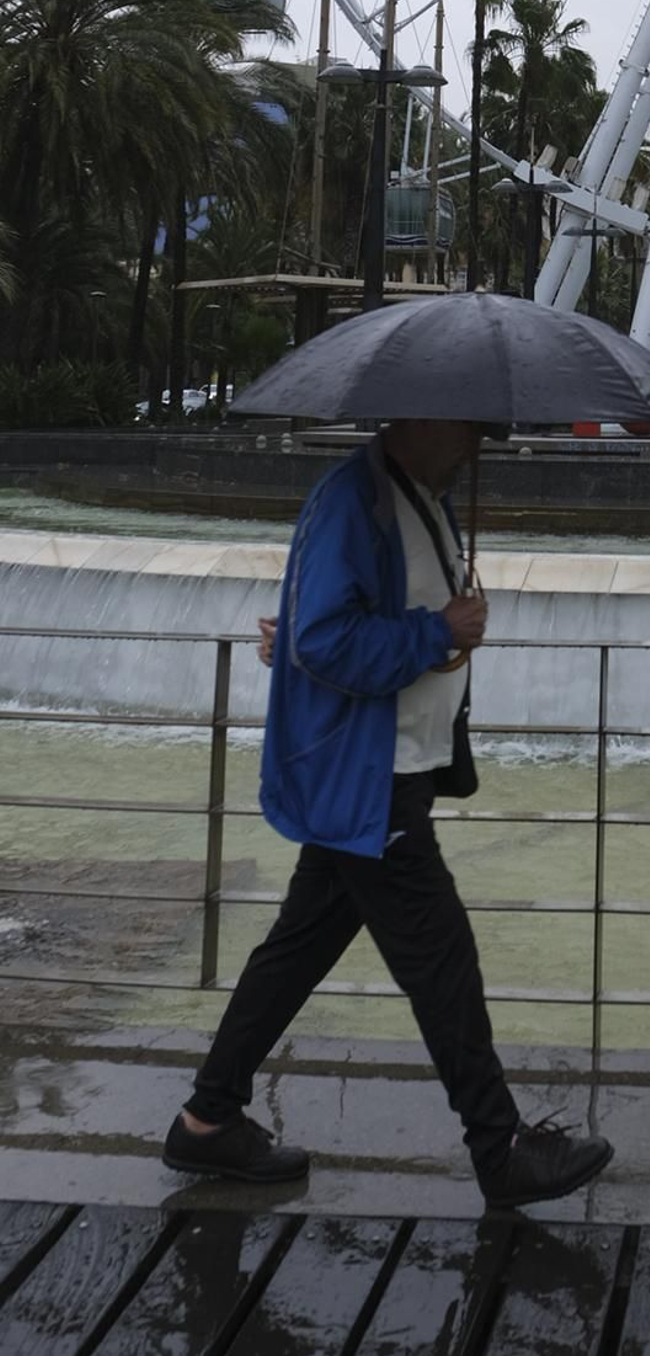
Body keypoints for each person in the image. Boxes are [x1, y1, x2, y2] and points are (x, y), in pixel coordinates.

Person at [162, 420, 612, 1209]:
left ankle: (207, 1117)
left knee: (296, 950)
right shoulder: (354, 499)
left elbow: (321, 622)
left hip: (378, 772)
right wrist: (439, 629)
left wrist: (437, 630)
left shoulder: (421, 498)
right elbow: (324, 635)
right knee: (443, 961)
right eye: (470, 424)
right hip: (368, 776)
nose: (481, 437)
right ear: (417, 418)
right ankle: (498, 1147)